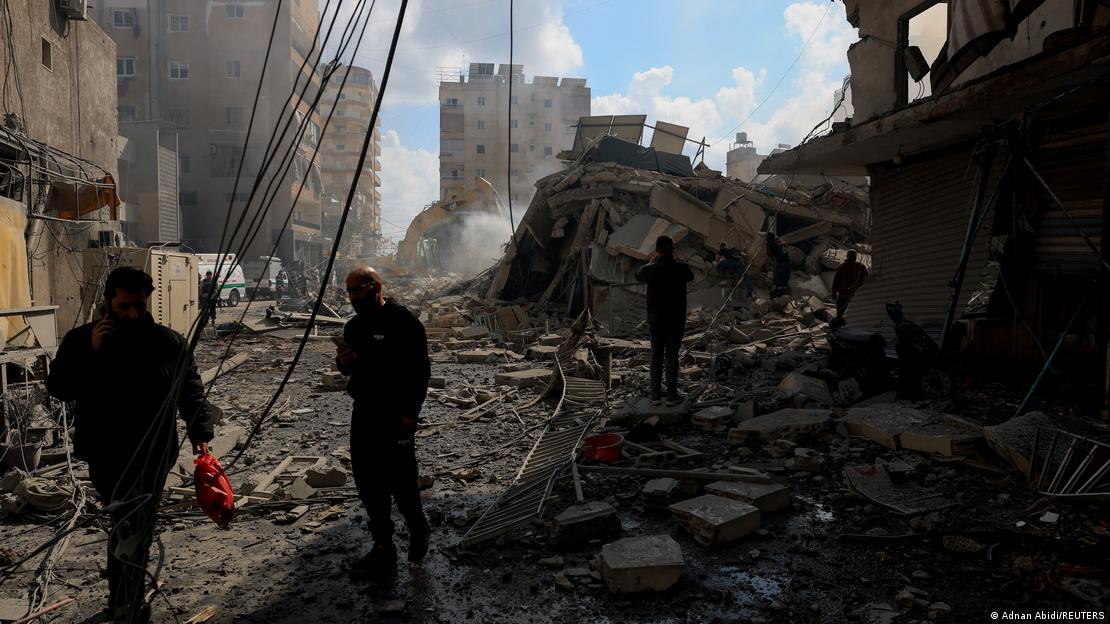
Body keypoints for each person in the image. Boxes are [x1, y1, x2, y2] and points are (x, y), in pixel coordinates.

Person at [46, 267, 214, 624]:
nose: (134, 314)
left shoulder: (167, 341)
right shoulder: (81, 340)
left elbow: (190, 386)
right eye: (125, 306)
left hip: (154, 453)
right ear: (109, 302)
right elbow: (59, 388)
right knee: (125, 523)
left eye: (139, 306)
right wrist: (92, 351)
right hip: (106, 452)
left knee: (135, 525)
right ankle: (126, 601)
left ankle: (127, 604)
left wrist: (201, 431)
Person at [336, 266, 431, 572]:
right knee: (368, 482)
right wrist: (343, 362)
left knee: (402, 482)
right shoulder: (353, 328)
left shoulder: (404, 322)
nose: (352, 297)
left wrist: (409, 416)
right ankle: (383, 547)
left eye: (357, 290)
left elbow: (420, 373)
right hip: (365, 412)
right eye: (348, 292)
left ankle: (418, 530)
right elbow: (348, 369)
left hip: (395, 415)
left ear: (375, 287)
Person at [635, 236, 695, 406]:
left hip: (656, 320)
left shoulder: (650, 269)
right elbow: (690, 276)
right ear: (673, 250)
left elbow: (638, 274)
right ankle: (671, 395)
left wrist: (653, 261)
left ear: (657, 249)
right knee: (671, 356)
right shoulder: (682, 268)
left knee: (656, 355)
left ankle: (654, 394)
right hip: (675, 320)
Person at [831, 249, 869, 321]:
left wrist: (834, 293)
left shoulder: (841, 267)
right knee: (854, 315)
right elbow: (867, 278)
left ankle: (840, 326)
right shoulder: (861, 266)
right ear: (855, 257)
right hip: (856, 295)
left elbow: (836, 281)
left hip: (843, 294)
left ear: (847, 256)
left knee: (840, 314)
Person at [766, 231, 791, 298]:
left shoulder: (772, 245)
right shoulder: (775, 245)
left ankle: (780, 295)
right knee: (782, 280)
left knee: (781, 280)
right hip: (783, 264)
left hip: (782, 264)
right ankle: (781, 295)